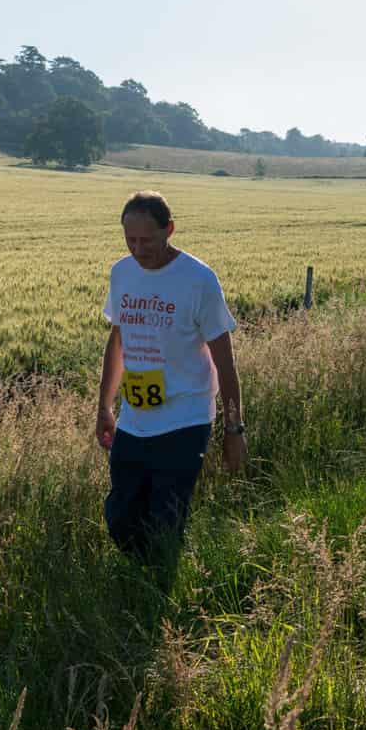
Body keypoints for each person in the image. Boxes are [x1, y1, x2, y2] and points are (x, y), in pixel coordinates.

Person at [96, 191, 245, 565]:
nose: (138, 249)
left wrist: (234, 430)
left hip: (186, 417)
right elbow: (118, 339)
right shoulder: (122, 273)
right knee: (122, 515)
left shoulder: (199, 280)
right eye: (130, 240)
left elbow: (225, 362)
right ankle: (144, 575)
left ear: (170, 230)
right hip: (135, 416)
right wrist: (104, 406)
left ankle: (157, 592)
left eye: (147, 240)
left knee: (165, 519)